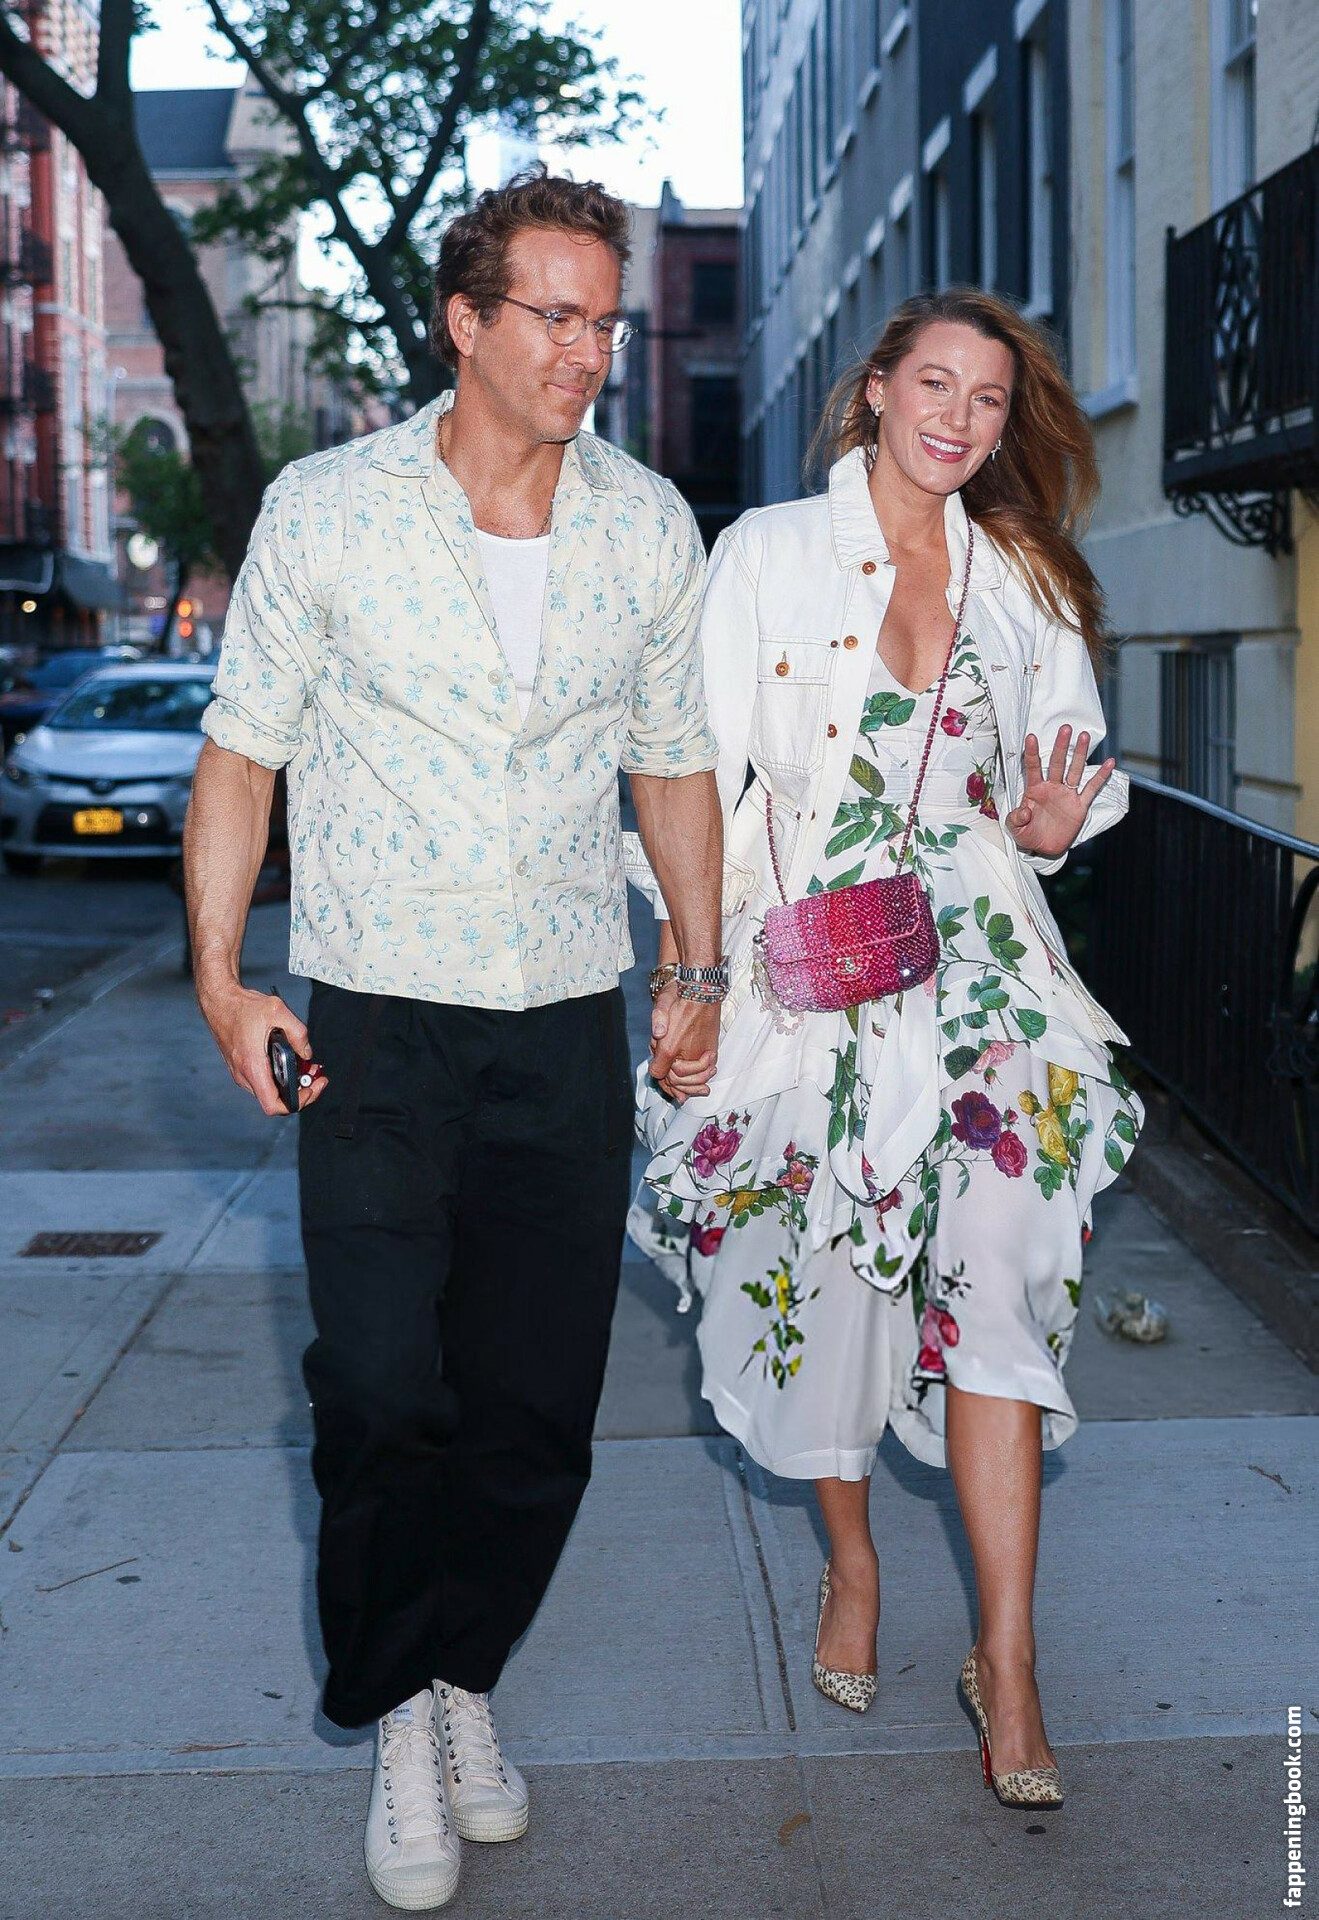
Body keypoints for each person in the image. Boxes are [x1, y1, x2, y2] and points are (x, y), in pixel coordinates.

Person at [184, 168, 725, 1911]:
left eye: (606, 319)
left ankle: (463, 1677)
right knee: (378, 1387)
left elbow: (671, 765)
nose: (589, 349)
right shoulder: (329, 510)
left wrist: (699, 967)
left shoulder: (648, 525)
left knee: (535, 1407)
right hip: (375, 1020)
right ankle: (393, 1706)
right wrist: (222, 980)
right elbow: (243, 753)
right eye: (554, 315)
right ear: (465, 322)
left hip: (563, 1015)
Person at [630, 289, 1143, 1810]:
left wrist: (1056, 821)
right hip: (810, 959)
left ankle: (1011, 1661)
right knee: (820, 1284)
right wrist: (690, 977)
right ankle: (851, 1557)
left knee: (1000, 1268)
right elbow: (696, 772)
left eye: (987, 400)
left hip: (983, 965)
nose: (958, 419)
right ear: (875, 389)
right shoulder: (768, 553)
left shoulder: (1027, 577)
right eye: (935, 384)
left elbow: (1070, 771)